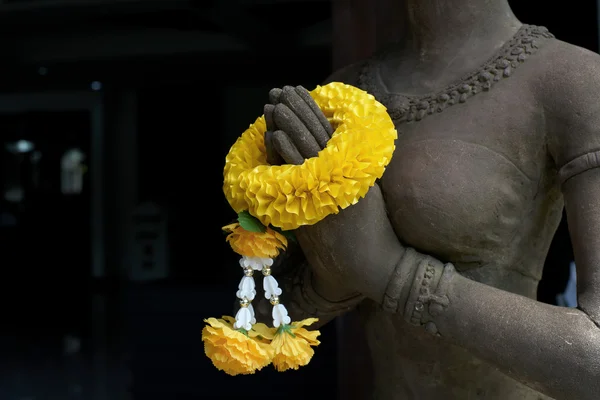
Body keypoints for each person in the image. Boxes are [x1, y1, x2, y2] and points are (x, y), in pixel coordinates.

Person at [257, 0, 600, 399]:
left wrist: (387, 272)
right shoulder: (341, 95)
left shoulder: (572, 79)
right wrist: (331, 274)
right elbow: (254, 331)